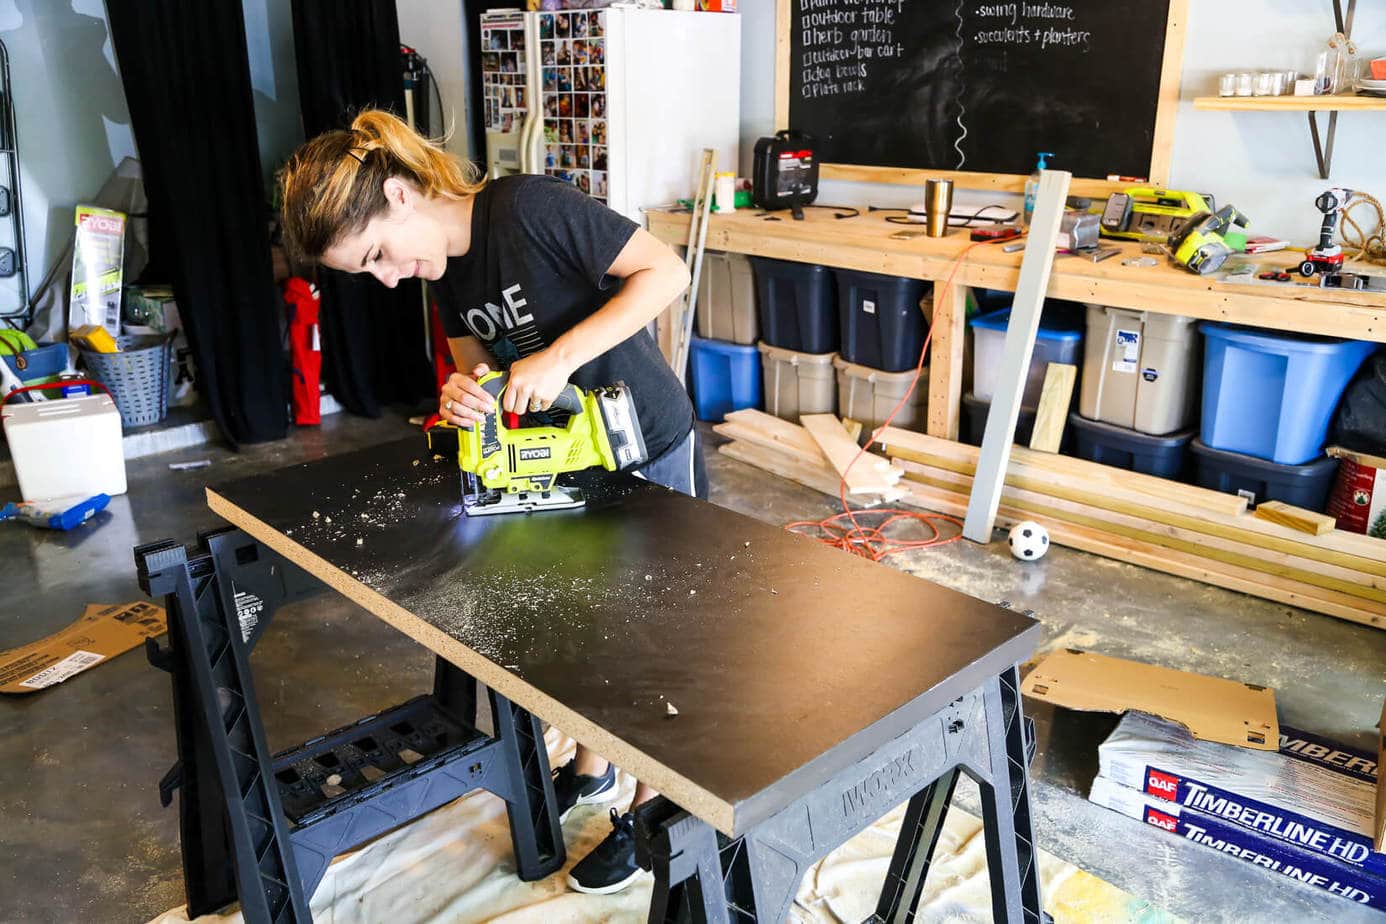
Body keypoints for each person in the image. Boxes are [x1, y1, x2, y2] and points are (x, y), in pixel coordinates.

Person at [278, 109, 706, 896]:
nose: (385, 276)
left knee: (654, 647)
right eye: (364, 272)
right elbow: (480, 369)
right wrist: (464, 396)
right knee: (583, 622)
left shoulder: (527, 210)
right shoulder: (443, 274)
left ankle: (651, 813)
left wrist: (560, 355)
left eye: (377, 254)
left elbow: (667, 272)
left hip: (644, 440)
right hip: (564, 460)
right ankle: (594, 766)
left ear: (402, 197)